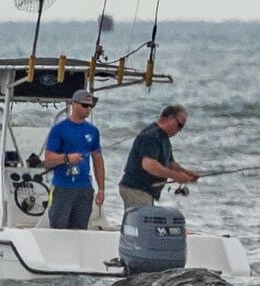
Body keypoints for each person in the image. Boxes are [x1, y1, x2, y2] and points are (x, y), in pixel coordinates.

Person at [40, 89, 107, 232]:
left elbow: (98, 160)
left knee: (80, 230)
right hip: (63, 186)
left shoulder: (93, 131)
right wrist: (67, 158)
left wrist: (101, 189)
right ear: (74, 105)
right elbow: (48, 158)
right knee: (58, 227)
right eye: (84, 105)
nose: (88, 109)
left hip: (84, 188)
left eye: (91, 106)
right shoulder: (59, 129)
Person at [120, 103, 200, 210]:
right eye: (179, 125)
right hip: (136, 189)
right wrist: (175, 176)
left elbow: (170, 163)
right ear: (171, 118)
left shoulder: (164, 138)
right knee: (143, 224)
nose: (179, 130)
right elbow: (149, 164)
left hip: (146, 191)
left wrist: (186, 173)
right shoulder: (152, 135)